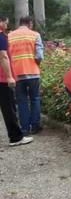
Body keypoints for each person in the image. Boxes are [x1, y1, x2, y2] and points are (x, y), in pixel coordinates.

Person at [0, 15, 33, 147]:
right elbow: (3, 57)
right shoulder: (1, 37)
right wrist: (9, 76)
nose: (6, 26)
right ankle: (16, 137)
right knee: (9, 108)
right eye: (6, 23)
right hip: (2, 79)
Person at [9, 16, 44, 135]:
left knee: (22, 101)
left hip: (16, 74)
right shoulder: (35, 35)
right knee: (35, 99)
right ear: (30, 24)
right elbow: (39, 56)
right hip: (33, 72)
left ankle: (24, 129)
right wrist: (36, 64)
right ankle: (35, 125)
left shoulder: (10, 36)